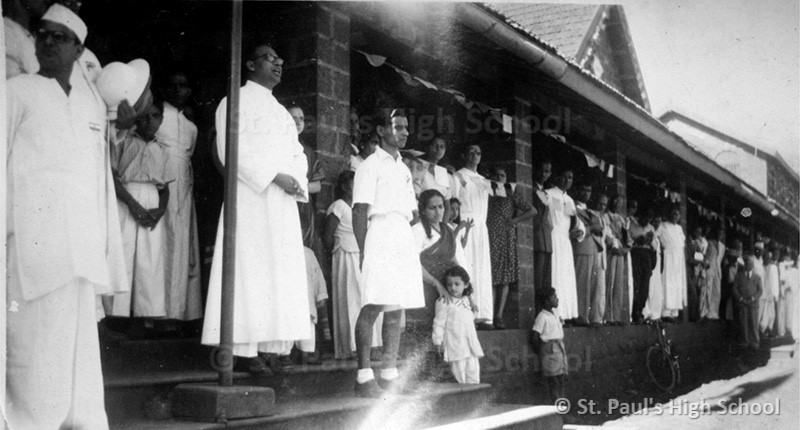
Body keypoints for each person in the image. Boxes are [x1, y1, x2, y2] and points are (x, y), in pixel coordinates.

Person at [5, 5, 128, 428]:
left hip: (79, 243)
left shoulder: (90, 105)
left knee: (76, 341)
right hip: (31, 238)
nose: (48, 42)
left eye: (60, 37)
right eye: (43, 34)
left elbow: (98, 179)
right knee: (32, 341)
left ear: (79, 49)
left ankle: (79, 420)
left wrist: (104, 245)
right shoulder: (15, 91)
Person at [201, 40, 310, 372]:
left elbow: (298, 155)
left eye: (279, 60)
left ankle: (267, 348)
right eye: (268, 58)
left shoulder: (281, 112)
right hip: (251, 198)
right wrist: (275, 177)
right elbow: (231, 150)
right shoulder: (234, 101)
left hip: (281, 202)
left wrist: (295, 180)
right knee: (249, 271)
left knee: (275, 274)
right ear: (249, 65)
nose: (277, 64)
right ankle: (242, 351)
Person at [352, 108, 424, 397]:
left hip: (401, 235)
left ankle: (389, 373)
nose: (405, 132)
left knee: (396, 308)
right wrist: (362, 249)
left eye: (406, 127)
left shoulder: (404, 169)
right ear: (381, 131)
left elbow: (411, 212)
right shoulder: (369, 166)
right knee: (373, 304)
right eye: (398, 127)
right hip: (379, 233)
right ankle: (363, 376)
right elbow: (359, 211)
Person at [111, 99, 171, 319]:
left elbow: (165, 187)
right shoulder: (123, 142)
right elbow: (113, 179)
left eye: (154, 115)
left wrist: (161, 210)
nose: (149, 120)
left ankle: (146, 312)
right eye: (144, 115)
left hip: (152, 200)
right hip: (126, 197)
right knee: (123, 252)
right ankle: (116, 314)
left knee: (150, 257)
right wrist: (132, 204)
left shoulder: (163, 149)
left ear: (161, 119)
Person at [155, 69, 202, 321]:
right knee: (161, 246)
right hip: (160, 189)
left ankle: (178, 313)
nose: (178, 90)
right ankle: (156, 314)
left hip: (183, 191)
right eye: (172, 85)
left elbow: (188, 156)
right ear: (163, 90)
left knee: (182, 246)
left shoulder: (191, 127)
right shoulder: (156, 117)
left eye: (183, 85)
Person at [324, 171, 382, 359]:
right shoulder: (339, 206)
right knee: (351, 300)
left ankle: (372, 346)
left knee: (367, 299)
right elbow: (327, 236)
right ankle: (352, 348)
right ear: (344, 187)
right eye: (353, 183)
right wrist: (339, 251)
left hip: (363, 256)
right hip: (346, 257)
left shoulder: (363, 208)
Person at [412, 189, 474, 325]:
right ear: (423, 210)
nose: (438, 211)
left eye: (440, 206)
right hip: (426, 286)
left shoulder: (448, 230)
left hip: (449, 286)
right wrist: (437, 284)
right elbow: (413, 264)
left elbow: (453, 260)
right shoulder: (417, 230)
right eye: (432, 208)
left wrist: (467, 292)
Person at [262, 247, 329, 368]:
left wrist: (321, 295)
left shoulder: (308, 253)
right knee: (286, 324)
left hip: (306, 299)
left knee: (307, 325)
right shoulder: (277, 251)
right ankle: (284, 354)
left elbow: (318, 275)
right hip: (286, 301)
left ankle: (307, 352)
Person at [487, 167, 535, 329]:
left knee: (504, 277)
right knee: (492, 277)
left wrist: (514, 221)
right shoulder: (488, 189)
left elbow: (532, 210)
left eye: (503, 175)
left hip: (506, 236)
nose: (500, 178)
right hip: (490, 235)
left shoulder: (511, 191)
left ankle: (498, 315)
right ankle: (488, 316)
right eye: (497, 175)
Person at [453, 144, 494, 329]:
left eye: (478, 152)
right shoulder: (459, 176)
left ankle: (482, 314)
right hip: (466, 225)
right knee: (467, 265)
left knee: (481, 267)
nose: (475, 155)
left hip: (481, 227)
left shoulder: (485, 181)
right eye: (471, 152)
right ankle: (466, 313)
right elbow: (453, 202)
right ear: (464, 155)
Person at [432, 265, 484, 384]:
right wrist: (437, 341)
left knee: (474, 375)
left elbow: (469, 318)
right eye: (449, 284)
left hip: (470, 346)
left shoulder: (466, 301)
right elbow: (438, 323)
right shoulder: (444, 301)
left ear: (465, 284)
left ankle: (473, 397)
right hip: (455, 345)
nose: (453, 288)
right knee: (459, 376)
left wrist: (474, 309)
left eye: (457, 284)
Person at [547, 168, 585, 323]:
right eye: (565, 177)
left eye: (570, 178)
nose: (567, 181)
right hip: (554, 238)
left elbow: (578, 223)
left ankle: (567, 314)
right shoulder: (549, 193)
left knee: (566, 277)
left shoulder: (569, 200)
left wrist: (579, 232)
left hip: (566, 241)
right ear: (558, 177)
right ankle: (557, 314)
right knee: (556, 275)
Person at [572, 185, 606, 326]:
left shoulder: (589, 210)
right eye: (584, 189)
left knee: (591, 284)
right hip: (581, 247)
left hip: (592, 248)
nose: (587, 193)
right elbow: (575, 230)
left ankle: (589, 315)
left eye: (589, 190)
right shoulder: (573, 207)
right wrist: (592, 228)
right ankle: (580, 315)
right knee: (581, 282)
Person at [531, 287, 567, 402]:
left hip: (559, 349)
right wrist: (543, 351)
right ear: (546, 301)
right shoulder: (542, 317)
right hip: (549, 351)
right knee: (554, 381)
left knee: (560, 378)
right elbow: (535, 337)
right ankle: (557, 409)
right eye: (554, 297)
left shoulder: (555, 314)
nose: (557, 299)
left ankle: (562, 406)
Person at [603, 196, 631, 324]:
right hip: (611, 250)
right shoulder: (605, 216)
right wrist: (614, 246)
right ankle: (608, 316)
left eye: (620, 202)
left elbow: (627, 236)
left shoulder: (622, 219)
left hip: (621, 250)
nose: (617, 204)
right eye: (615, 201)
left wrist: (627, 247)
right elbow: (607, 234)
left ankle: (617, 315)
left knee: (619, 283)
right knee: (610, 281)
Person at [657, 207, 687, 322]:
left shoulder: (679, 228)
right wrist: (661, 245)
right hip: (668, 258)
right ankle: (665, 312)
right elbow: (655, 235)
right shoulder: (663, 225)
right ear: (670, 214)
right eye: (673, 213)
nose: (675, 216)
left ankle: (674, 312)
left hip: (678, 260)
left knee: (677, 283)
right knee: (667, 282)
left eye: (677, 214)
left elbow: (681, 243)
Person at [627, 200, 654, 323]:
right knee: (636, 283)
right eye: (645, 217)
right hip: (636, 254)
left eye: (649, 218)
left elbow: (654, 245)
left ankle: (640, 310)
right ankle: (635, 312)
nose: (647, 221)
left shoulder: (650, 228)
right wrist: (638, 240)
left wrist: (649, 241)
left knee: (645, 284)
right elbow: (628, 240)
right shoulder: (632, 224)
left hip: (647, 256)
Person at [532, 159, 554, 307]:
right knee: (537, 277)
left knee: (545, 277)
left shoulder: (546, 191)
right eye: (542, 170)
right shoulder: (531, 187)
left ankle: (543, 309)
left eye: (547, 171)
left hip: (546, 237)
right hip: (537, 236)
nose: (544, 174)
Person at [734, 256, 762, 350]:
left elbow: (760, 291)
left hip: (753, 304)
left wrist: (753, 298)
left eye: (750, 264)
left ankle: (755, 343)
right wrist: (741, 299)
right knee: (744, 323)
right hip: (743, 304)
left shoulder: (757, 277)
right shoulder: (739, 276)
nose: (748, 265)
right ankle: (745, 342)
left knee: (754, 323)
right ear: (744, 265)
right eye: (747, 264)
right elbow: (735, 289)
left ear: (753, 265)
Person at [642, 213, 664, 321]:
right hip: (649, 262)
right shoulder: (648, 231)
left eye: (659, 221)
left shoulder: (656, 235)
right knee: (649, 287)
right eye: (655, 221)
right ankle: (646, 313)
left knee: (656, 288)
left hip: (657, 264)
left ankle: (655, 314)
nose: (657, 223)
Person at [703, 226, 725, 320]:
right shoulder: (709, 242)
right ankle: (706, 312)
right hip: (709, 268)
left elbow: (720, 259)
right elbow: (704, 255)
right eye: (719, 233)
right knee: (708, 289)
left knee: (717, 291)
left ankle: (714, 312)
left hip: (717, 270)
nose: (720, 235)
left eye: (722, 234)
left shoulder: (722, 246)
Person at [687, 225, 708, 322]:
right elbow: (689, 259)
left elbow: (701, 256)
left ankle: (697, 315)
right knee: (693, 293)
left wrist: (704, 261)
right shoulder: (686, 241)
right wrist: (699, 261)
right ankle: (692, 317)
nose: (699, 235)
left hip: (695, 272)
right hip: (687, 270)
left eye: (700, 233)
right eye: (697, 232)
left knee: (698, 292)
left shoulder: (696, 243)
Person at [759, 250, 778, 337]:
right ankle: (762, 330)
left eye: (768, 258)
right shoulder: (760, 267)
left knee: (771, 313)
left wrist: (775, 294)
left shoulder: (773, 267)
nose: (767, 259)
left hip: (771, 293)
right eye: (765, 258)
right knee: (763, 313)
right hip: (762, 293)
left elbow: (775, 282)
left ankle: (770, 329)